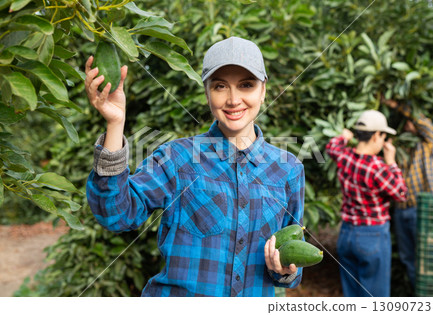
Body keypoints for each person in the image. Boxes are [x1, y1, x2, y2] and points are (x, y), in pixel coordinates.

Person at [84, 36, 304, 297]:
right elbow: (116, 215)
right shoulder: (176, 158)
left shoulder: (288, 169)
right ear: (207, 92)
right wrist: (115, 124)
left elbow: (292, 264)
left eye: (246, 85)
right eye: (220, 86)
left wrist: (285, 269)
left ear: (263, 90)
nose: (234, 100)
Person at [326, 110, 408, 297]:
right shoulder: (378, 168)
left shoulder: (344, 157)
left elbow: (332, 146)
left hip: (346, 234)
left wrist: (344, 136)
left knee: (352, 296)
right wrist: (392, 162)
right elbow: (401, 193)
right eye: (383, 136)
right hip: (372, 236)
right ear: (376, 135)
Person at [381, 97, 433, 289]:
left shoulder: (428, 145)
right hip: (400, 211)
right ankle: (422, 297)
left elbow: (423, 123)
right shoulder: (399, 150)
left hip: (422, 210)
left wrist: (395, 105)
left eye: (410, 122)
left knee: (428, 259)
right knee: (408, 259)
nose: (408, 124)